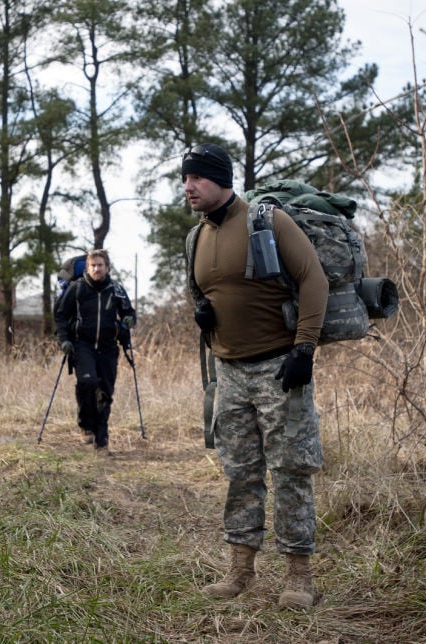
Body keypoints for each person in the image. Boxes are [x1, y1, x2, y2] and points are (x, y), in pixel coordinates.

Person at [183, 143, 328, 609]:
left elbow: (314, 279)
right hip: (229, 373)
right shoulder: (195, 238)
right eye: (185, 179)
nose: (188, 187)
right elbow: (201, 293)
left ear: (220, 179)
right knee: (240, 472)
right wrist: (203, 314)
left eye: (197, 178)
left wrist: (304, 347)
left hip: (279, 369)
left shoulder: (267, 221)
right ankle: (240, 570)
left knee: (290, 472)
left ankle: (299, 576)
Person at [53, 249, 136, 456]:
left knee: (105, 394)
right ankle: (85, 425)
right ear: (87, 268)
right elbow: (61, 316)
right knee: (87, 383)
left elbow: (129, 312)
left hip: (108, 347)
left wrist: (128, 321)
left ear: (107, 267)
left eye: (100, 265)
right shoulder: (77, 288)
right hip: (83, 346)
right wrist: (64, 340)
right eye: (93, 266)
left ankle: (102, 441)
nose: (96, 269)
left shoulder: (116, 289)